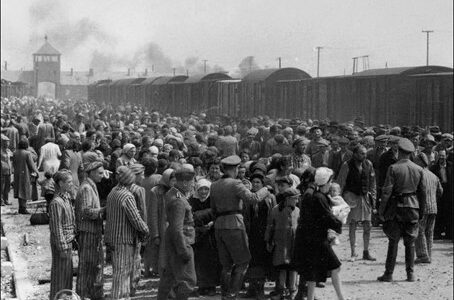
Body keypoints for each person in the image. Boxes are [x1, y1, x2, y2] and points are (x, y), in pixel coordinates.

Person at [210, 155, 270, 300]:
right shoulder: (236, 184)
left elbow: (213, 210)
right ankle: (232, 295)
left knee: (226, 265)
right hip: (235, 225)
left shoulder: (214, 185)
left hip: (219, 225)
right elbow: (253, 199)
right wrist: (265, 189)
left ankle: (225, 294)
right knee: (243, 262)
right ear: (235, 169)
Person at [378, 138, 426, 282]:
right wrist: (421, 211)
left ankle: (389, 273)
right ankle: (410, 274)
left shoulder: (393, 168)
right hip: (413, 208)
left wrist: (381, 210)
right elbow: (422, 193)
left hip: (396, 208)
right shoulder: (418, 169)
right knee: (410, 243)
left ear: (399, 151)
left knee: (393, 241)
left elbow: (386, 192)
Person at [293, 167, 345, 300]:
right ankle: (341, 298)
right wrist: (339, 222)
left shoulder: (315, 195)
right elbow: (328, 217)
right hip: (319, 240)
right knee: (335, 267)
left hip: (310, 239)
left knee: (312, 272)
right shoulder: (320, 197)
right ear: (326, 182)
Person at [105, 166, 149, 299]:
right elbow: (135, 218)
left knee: (118, 272)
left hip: (113, 237)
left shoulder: (113, 192)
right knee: (122, 274)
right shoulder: (127, 196)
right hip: (124, 239)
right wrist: (146, 230)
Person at [157, 164, 197, 300]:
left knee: (170, 277)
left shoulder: (173, 193)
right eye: (192, 181)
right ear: (185, 182)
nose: (193, 184)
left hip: (174, 241)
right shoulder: (179, 201)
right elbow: (177, 229)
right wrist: (183, 251)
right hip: (181, 242)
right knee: (188, 280)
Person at [336, 145, 377, 262]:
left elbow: (373, 183)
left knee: (367, 225)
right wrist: (340, 201)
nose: (364, 156)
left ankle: (366, 251)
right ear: (355, 154)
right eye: (361, 153)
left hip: (365, 197)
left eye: (365, 153)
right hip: (352, 197)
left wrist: (373, 199)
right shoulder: (346, 165)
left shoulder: (368, 164)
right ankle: (353, 252)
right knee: (353, 225)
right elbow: (340, 182)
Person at [75, 157, 106, 300]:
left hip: (93, 232)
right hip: (88, 232)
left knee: (94, 265)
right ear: (92, 173)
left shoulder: (91, 185)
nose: (102, 175)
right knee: (86, 265)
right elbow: (86, 211)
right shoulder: (87, 188)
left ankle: (90, 293)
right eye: (100, 173)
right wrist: (103, 211)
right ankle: (83, 294)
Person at [243, 173, 275, 300]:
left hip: (264, 233)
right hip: (251, 233)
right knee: (251, 260)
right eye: (254, 182)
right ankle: (252, 288)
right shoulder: (249, 198)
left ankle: (260, 289)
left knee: (262, 261)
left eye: (258, 182)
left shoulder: (270, 197)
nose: (255, 184)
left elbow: (273, 216)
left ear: (263, 185)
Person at [265, 188, 300, 300]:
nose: (297, 201)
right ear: (287, 199)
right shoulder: (276, 210)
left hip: (293, 243)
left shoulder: (297, 210)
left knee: (293, 267)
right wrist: (268, 241)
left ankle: (293, 289)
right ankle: (281, 289)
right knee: (282, 267)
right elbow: (270, 226)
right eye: (295, 198)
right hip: (281, 244)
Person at [189, 179, 220, 296]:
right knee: (199, 260)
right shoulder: (192, 200)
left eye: (206, 189)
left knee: (211, 260)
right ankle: (202, 285)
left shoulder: (213, 200)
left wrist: (211, 223)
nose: (203, 191)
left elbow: (218, 214)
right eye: (201, 189)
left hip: (211, 234)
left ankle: (211, 286)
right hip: (198, 234)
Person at [48, 170, 76, 300]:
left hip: (68, 241)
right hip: (62, 245)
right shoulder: (56, 203)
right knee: (60, 276)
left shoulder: (67, 198)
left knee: (67, 276)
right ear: (60, 183)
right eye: (69, 182)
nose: (72, 184)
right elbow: (56, 228)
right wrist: (63, 247)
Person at [144, 168, 176, 277]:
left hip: (174, 227)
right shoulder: (156, 191)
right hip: (162, 228)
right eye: (173, 180)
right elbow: (152, 215)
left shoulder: (177, 191)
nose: (174, 183)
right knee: (162, 255)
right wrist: (155, 234)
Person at [415, 153, 443, 264]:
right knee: (429, 232)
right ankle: (429, 255)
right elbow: (440, 191)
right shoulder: (433, 176)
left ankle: (422, 255)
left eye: (416, 160)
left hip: (422, 207)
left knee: (420, 231)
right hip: (433, 207)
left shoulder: (418, 174)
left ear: (421, 161)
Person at [12, 138, 39, 214]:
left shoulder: (15, 153)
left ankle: (20, 207)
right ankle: (23, 208)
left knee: (19, 190)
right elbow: (31, 165)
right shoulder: (27, 153)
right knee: (24, 190)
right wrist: (36, 172)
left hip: (17, 174)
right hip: (25, 174)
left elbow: (13, 163)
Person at [1, 134, 13, 206]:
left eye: (8, 142)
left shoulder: (8, 150)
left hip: (8, 170)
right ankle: (1, 200)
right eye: (5, 142)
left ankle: (6, 200)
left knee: (7, 187)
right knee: (1, 187)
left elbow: (12, 157)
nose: (7, 144)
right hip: (2, 171)